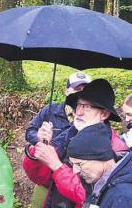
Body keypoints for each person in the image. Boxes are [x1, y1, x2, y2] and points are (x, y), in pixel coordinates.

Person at [22, 79, 128, 208]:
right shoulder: (68, 136)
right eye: (78, 104)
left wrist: (57, 167)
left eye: (87, 107)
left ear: (104, 114)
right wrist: (40, 147)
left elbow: (99, 198)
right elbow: (40, 178)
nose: (79, 112)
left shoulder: (115, 149)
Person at [66, 123, 132, 208]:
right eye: (72, 164)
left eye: (79, 164)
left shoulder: (122, 197)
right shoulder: (102, 184)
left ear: (101, 157)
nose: (75, 171)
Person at [25, 72, 91, 145]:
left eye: (86, 90)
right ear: (67, 91)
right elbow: (30, 131)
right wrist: (38, 137)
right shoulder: (51, 109)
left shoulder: (94, 116)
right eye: (77, 89)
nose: (81, 94)